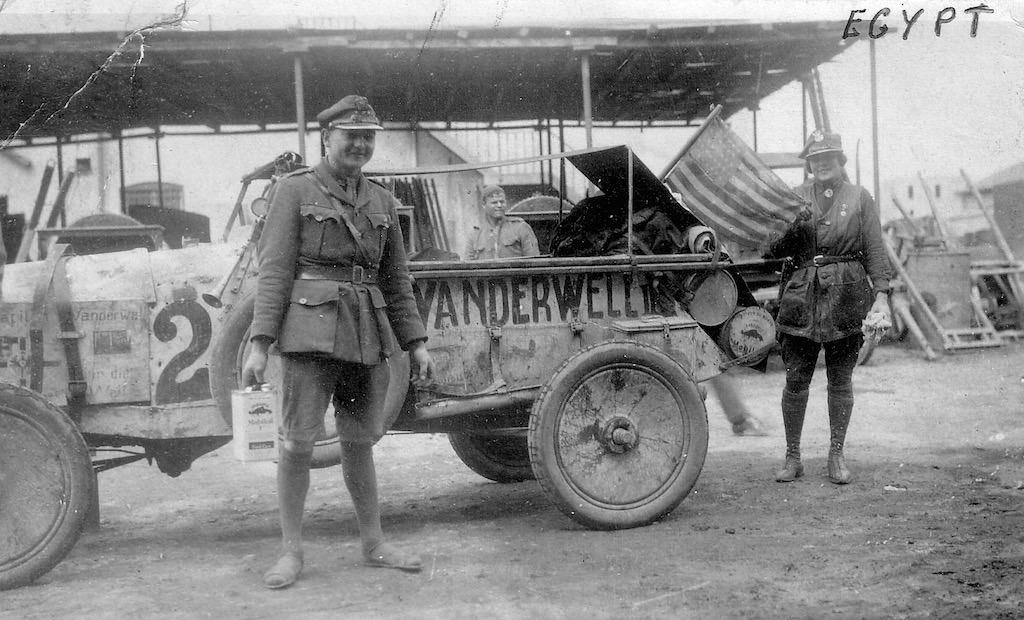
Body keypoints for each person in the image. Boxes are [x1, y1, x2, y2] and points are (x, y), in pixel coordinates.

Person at [242, 94, 436, 589]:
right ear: (327, 138)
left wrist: (416, 342)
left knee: (359, 442)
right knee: (298, 442)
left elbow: (396, 280)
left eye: (368, 137)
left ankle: (373, 543)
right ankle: (290, 551)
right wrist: (259, 343)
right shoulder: (294, 190)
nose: (361, 145)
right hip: (308, 334)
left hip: (365, 332)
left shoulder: (382, 200)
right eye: (352, 135)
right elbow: (274, 271)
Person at [764, 130, 892, 484]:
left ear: (841, 162)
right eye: (816, 159)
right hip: (801, 296)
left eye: (829, 158)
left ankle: (836, 454)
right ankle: (793, 457)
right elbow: (771, 249)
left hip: (847, 297)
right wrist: (792, 227)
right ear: (809, 163)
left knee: (841, 379)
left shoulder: (859, 197)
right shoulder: (793, 197)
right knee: (796, 379)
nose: (823, 164)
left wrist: (881, 294)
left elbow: (875, 249)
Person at [466, 184, 540, 259]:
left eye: (502, 202)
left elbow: (534, 260)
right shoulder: (475, 234)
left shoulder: (521, 227)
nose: (499, 205)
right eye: (494, 203)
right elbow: (467, 265)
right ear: (484, 205)